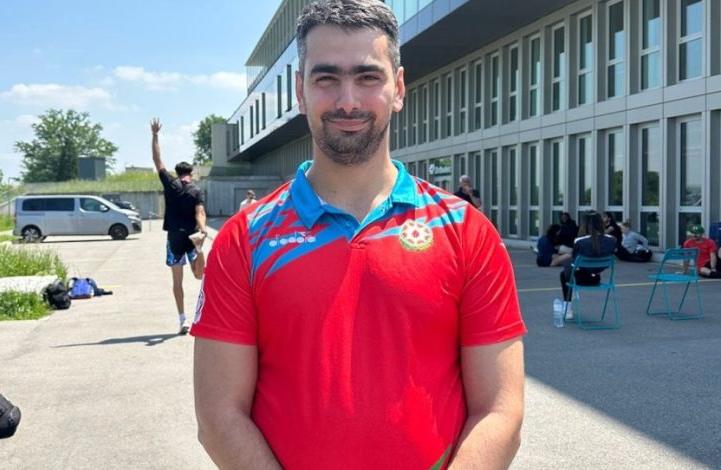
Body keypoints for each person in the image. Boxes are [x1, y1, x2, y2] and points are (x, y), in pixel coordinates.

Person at [190, 1, 527, 468]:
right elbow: (219, 415)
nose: (347, 100)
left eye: (368, 77)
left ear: (398, 88)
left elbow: (499, 411)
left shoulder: (467, 232)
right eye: (326, 78)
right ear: (301, 92)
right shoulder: (244, 239)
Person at [150, 117, 207, 335]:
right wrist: (202, 229)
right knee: (199, 275)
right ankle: (199, 250)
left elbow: (157, 160)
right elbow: (199, 212)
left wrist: (155, 135)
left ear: (177, 173)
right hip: (192, 235)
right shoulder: (196, 190)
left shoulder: (170, 183)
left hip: (174, 237)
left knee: (177, 281)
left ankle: (183, 319)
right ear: (190, 174)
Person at [560, 211, 617, 318]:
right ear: (601, 223)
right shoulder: (611, 240)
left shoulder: (579, 241)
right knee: (572, 267)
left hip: (580, 279)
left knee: (565, 270)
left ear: (584, 225)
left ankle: (567, 309)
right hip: (596, 278)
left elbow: (575, 262)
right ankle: (570, 301)